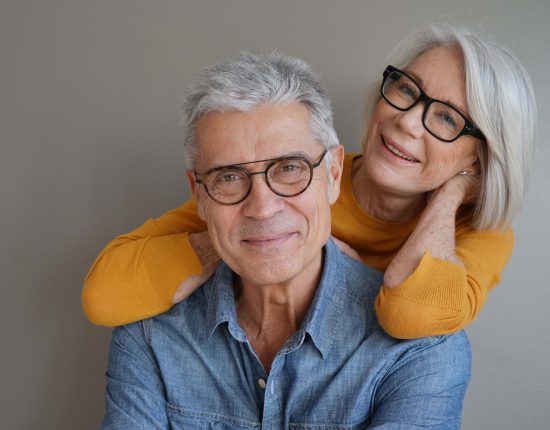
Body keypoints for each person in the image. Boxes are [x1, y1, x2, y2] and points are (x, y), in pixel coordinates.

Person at [93, 51, 471, 430]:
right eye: (230, 176)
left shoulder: (422, 353)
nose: (262, 207)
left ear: (333, 174)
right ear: (199, 197)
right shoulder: (150, 336)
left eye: (289, 168)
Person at [82, 24, 536, 338]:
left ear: (480, 155)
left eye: (446, 118)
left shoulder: (477, 232)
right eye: (406, 90)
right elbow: (104, 295)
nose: (407, 122)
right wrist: (244, 238)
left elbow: (414, 314)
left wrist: (452, 192)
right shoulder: (297, 175)